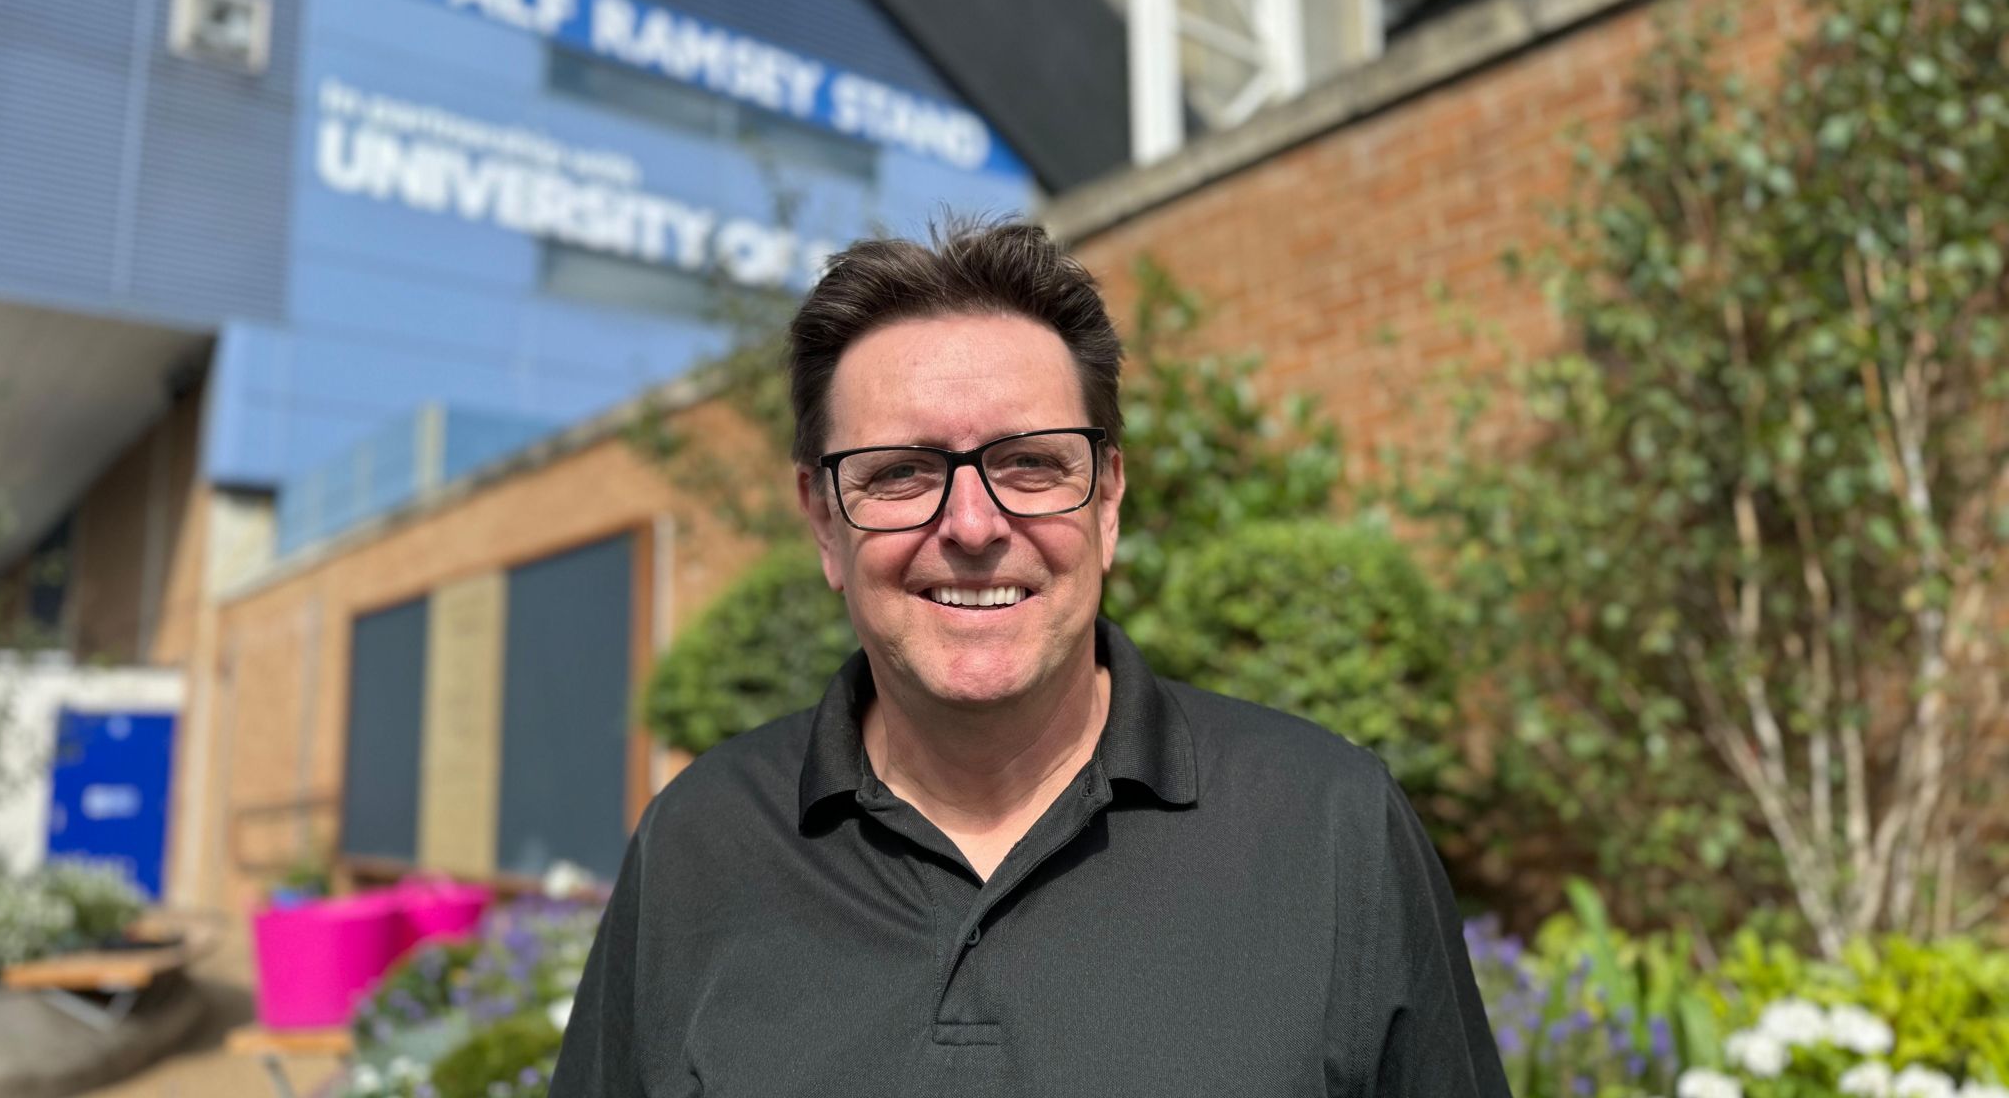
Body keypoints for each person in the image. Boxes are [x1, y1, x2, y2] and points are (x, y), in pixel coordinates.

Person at [549, 221, 1509, 1097]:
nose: (973, 525)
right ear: (823, 524)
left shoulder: (1332, 827)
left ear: (1108, 499)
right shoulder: (698, 844)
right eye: (900, 474)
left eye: (1031, 465)